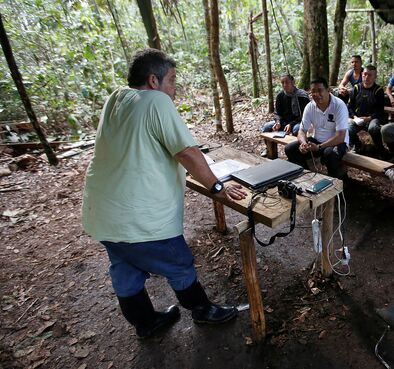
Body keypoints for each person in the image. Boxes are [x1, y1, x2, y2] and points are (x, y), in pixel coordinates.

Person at [81, 49, 247, 339]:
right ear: (153, 81)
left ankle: (145, 323)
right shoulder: (157, 100)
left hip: (102, 212)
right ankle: (202, 311)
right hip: (139, 217)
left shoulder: (116, 98)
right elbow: (186, 152)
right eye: (171, 80)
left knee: (125, 268)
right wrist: (218, 187)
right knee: (177, 261)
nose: (174, 89)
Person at [285, 78, 349, 178]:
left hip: (338, 143)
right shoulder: (310, 107)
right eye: (313, 91)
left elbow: (341, 136)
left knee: (330, 154)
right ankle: (307, 176)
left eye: (320, 90)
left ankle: (339, 183)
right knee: (290, 149)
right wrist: (304, 143)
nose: (316, 94)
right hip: (317, 141)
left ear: (328, 90)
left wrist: (319, 147)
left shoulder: (339, 105)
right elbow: (301, 131)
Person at [347, 65, 386, 156]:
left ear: (375, 77)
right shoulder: (356, 88)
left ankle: (379, 148)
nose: (367, 77)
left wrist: (369, 118)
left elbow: (380, 110)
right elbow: (349, 106)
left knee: (373, 128)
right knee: (348, 128)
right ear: (362, 74)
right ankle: (357, 145)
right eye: (365, 74)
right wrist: (354, 117)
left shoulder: (378, 90)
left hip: (372, 118)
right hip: (357, 118)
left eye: (370, 75)